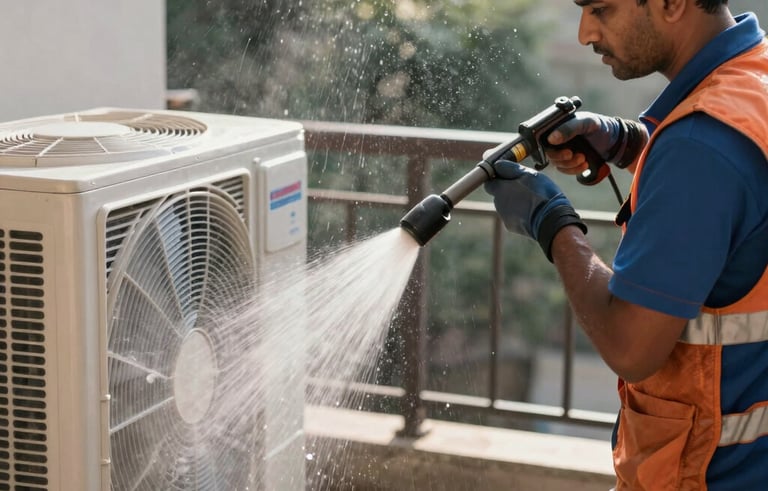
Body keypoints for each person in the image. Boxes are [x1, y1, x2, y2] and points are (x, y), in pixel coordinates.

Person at [483, 2, 768, 490]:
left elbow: (631, 347)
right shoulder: (752, 80)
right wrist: (631, 142)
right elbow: (737, 198)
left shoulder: (699, 147)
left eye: (601, 9)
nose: (584, 33)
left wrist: (550, 222)